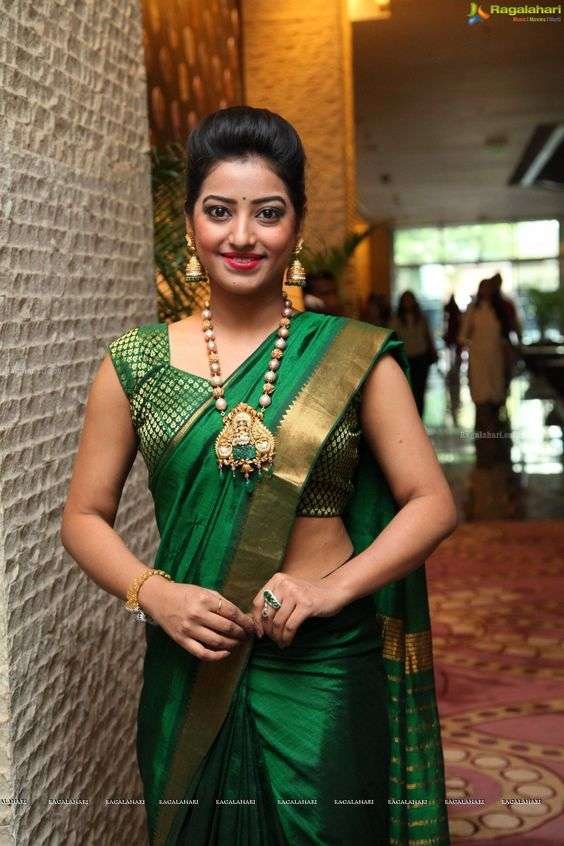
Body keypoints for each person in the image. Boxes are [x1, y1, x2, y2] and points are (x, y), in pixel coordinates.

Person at [60, 106, 458, 846]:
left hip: (323, 665)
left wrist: (331, 589)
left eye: (267, 213)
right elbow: (83, 516)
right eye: (219, 211)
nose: (242, 236)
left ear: (296, 226)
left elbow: (431, 502)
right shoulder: (134, 364)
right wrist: (156, 594)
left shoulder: (352, 354)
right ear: (190, 223)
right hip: (192, 660)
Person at [457, 277, 512, 459]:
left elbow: (505, 336)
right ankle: (484, 443)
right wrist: (476, 346)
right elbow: (462, 336)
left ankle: (494, 442)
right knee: (482, 400)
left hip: (496, 360)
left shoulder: (499, 310)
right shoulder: (473, 310)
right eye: (484, 288)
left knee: (496, 399)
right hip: (478, 361)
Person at [389, 291, 438, 418]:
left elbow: (428, 336)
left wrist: (433, 351)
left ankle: (419, 417)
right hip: (405, 358)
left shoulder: (421, 318)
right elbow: (392, 337)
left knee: (420, 390)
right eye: (406, 300)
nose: (408, 302)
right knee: (407, 391)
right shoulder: (396, 319)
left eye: (410, 299)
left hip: (421, 357)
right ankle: (409, 417)